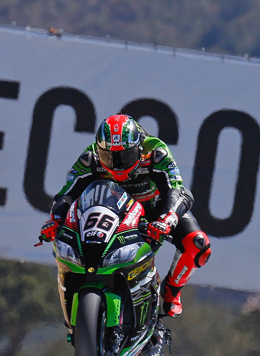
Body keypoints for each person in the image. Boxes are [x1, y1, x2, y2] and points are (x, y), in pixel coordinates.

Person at [40, 114, 211, 318]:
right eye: (109, 158)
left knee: (198, 245)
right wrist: (55, 219)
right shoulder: (89, 158)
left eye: (125, 157)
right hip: (113, 215)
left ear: (139, 149)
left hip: (156, 213)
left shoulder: (156, 152)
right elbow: (66, 194)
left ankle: (171, 291)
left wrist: (167, 219)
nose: (117, 166)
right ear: (99, 151)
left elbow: (176, 190)